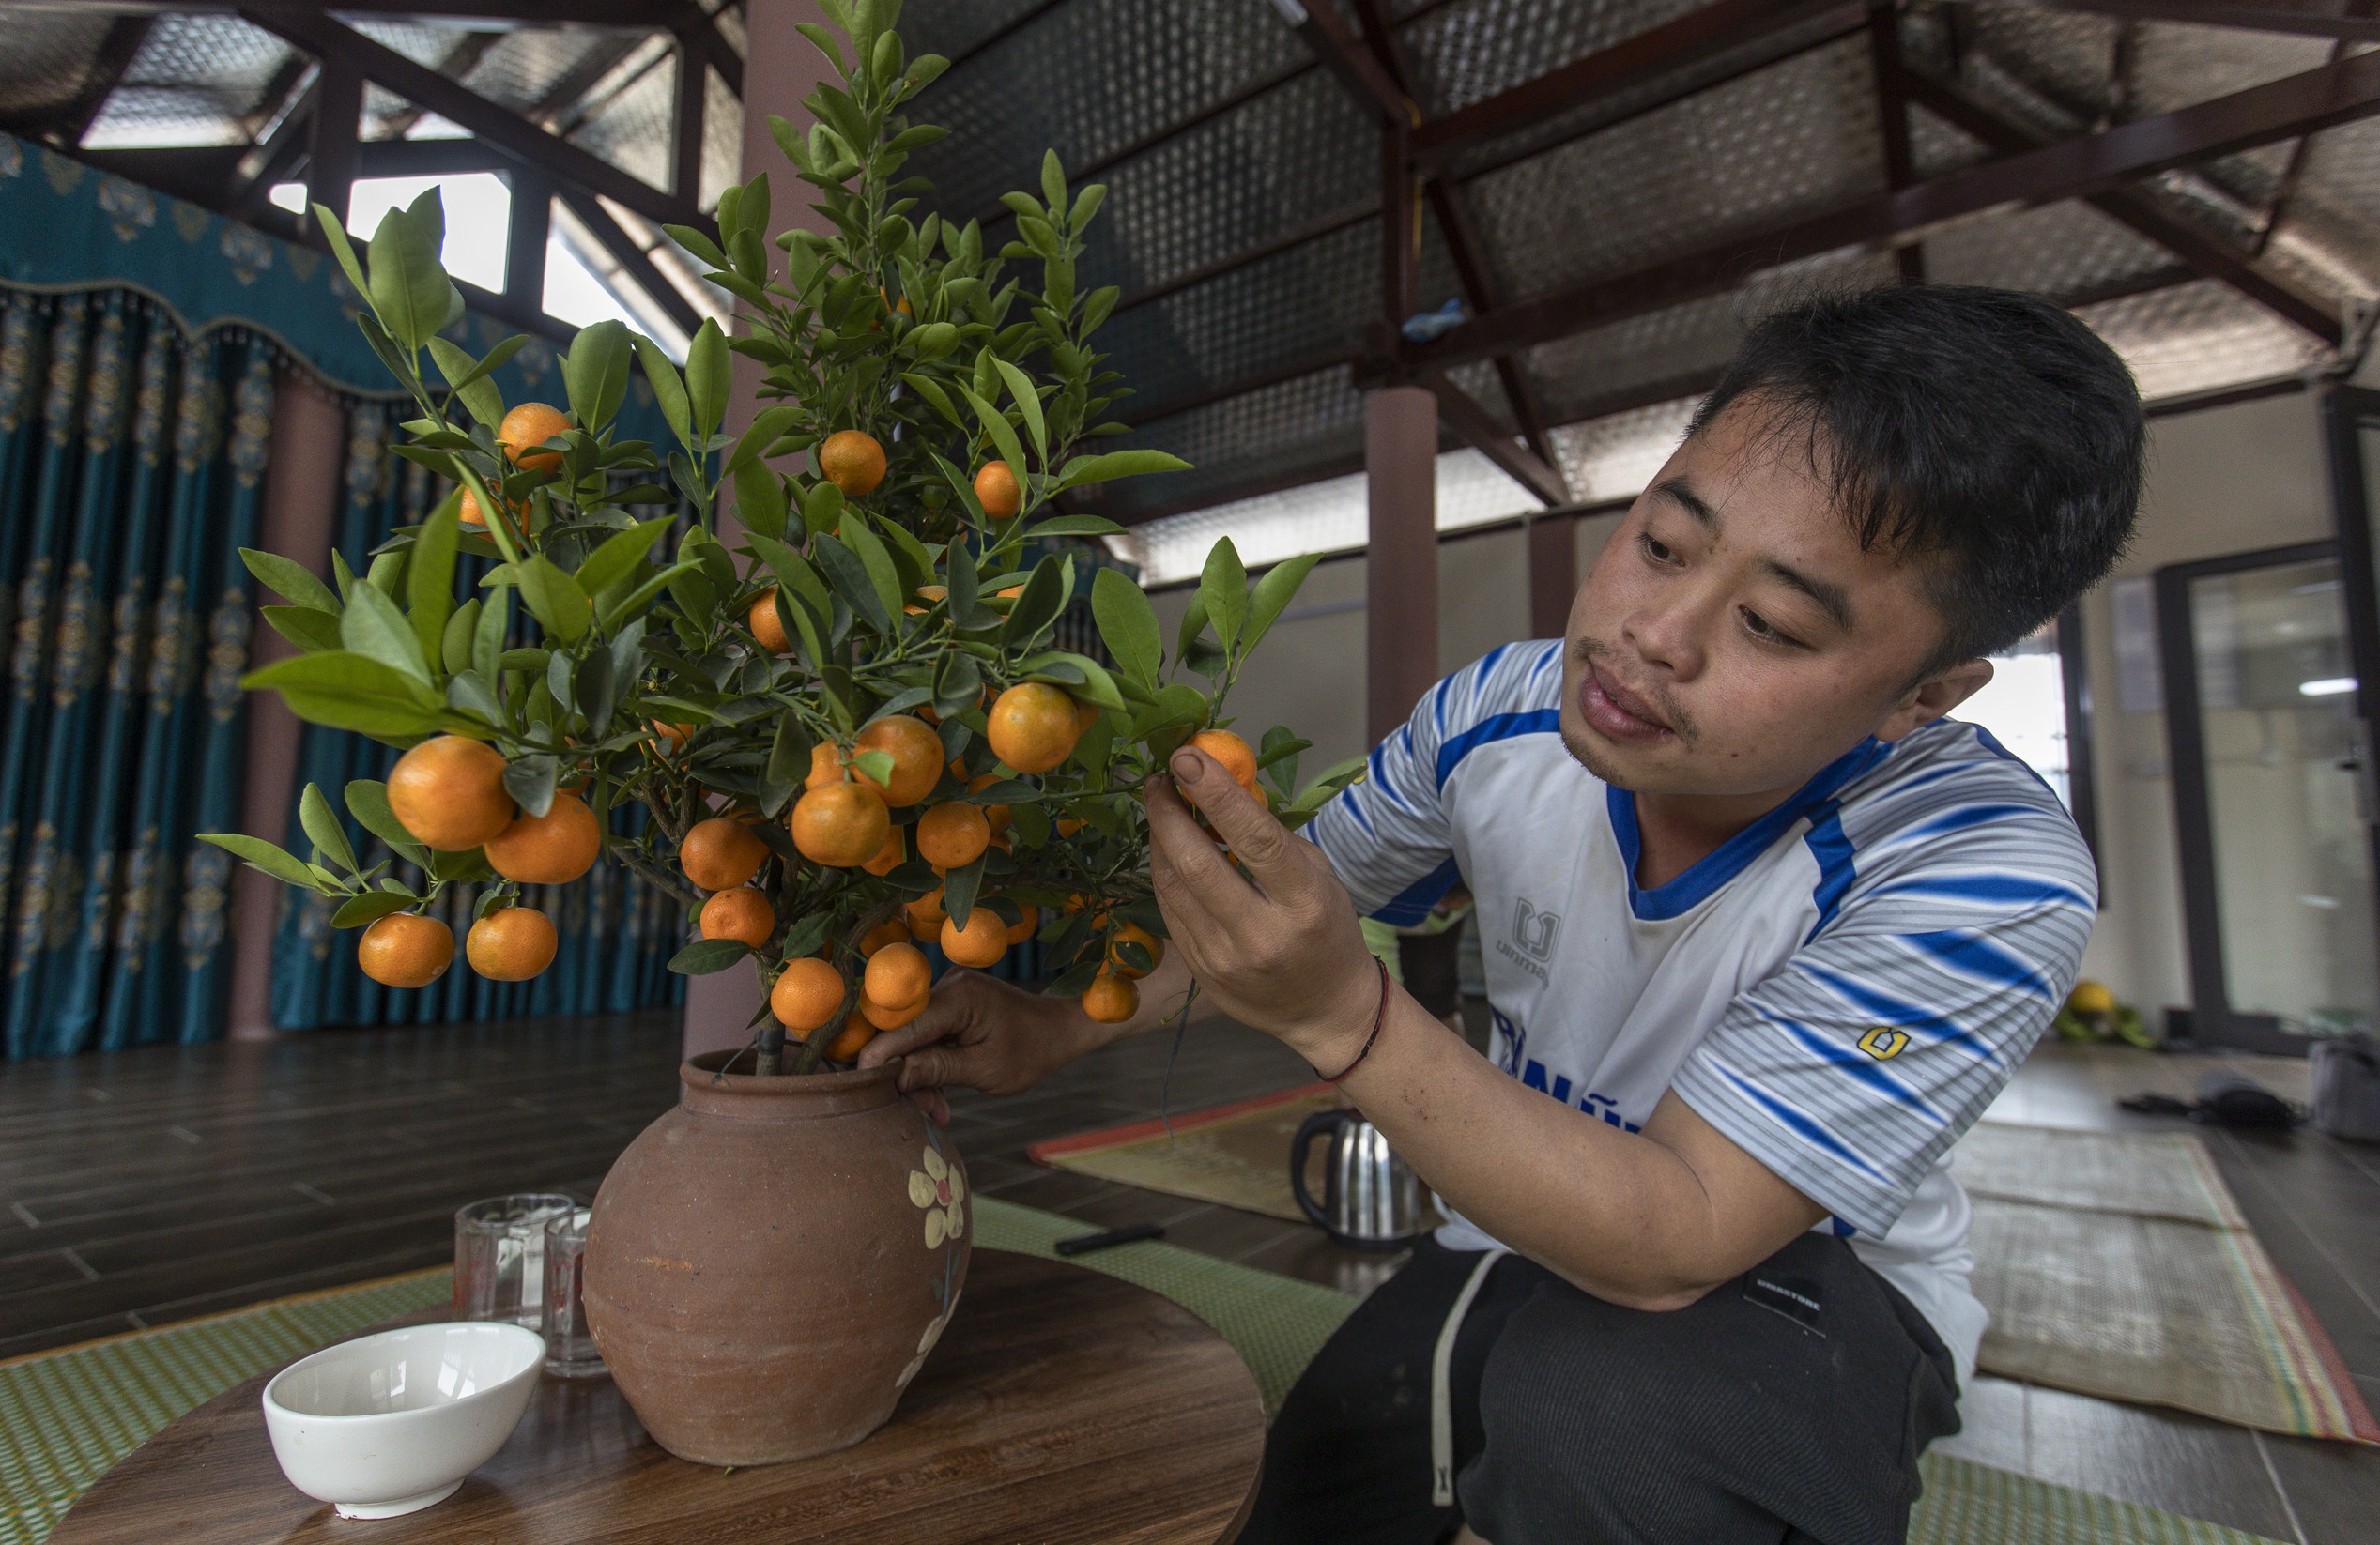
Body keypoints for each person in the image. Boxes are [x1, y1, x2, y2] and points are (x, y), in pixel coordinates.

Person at [862, 283, 2142, 1545]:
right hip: (1512, 1225)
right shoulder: (1500, 717)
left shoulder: (1981, 867)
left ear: (1922, 695)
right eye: (1663, 542)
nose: (1653, 635)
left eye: (1771, 623)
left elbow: (1686, 1232)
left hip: (1803, 1288)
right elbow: (1287, 904)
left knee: (1619, 1421)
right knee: (1304, 1505)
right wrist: (1058, 1029)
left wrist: (1347, 1024)